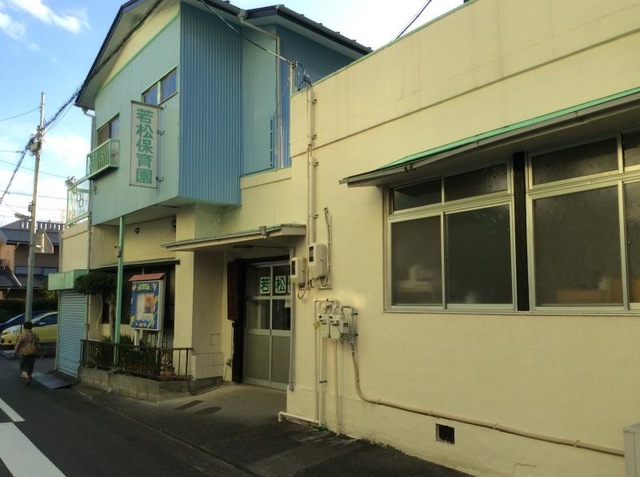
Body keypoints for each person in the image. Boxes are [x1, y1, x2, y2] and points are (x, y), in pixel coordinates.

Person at [12, 321, 41, 386]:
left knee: (23, 368)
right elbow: (38, 345)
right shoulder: (35, 335)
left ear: (24, 327)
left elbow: (18, 344)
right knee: (30, 367)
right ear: (31, 327)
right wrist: (40, 352)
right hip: (33, 353)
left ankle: (27, 377)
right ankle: (29, 375)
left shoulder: (23, 335)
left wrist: (14, 352)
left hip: (24, 353)